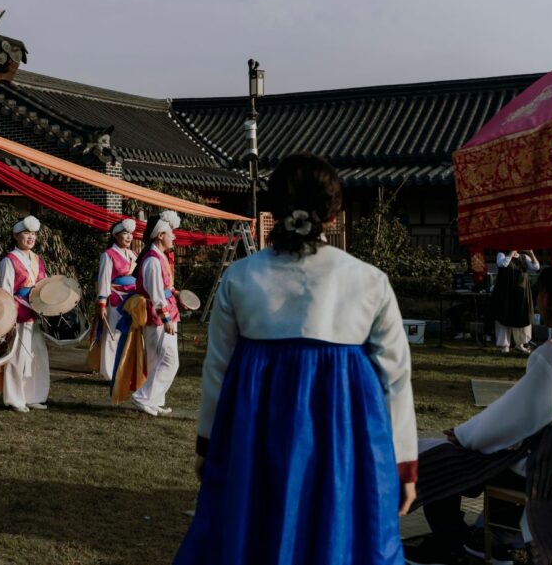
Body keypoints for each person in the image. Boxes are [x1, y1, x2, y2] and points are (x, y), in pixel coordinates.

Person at [174, 153, 417, 565]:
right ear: (333, 213)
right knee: (340, 532)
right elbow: (395, 378)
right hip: (344, 431)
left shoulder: (241, 276)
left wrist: (208, 445)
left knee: (255, 532)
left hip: (255, 431)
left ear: (274, 207)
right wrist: (403, 462)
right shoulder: (369, 280)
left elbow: (218, 368)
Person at [405, 266, 552, 565]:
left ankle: (456, 543)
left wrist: (463, 434)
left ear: (545, 298)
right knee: (486, 454)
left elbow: (519, 415)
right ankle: (488, 537)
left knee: (442, 459)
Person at [129, 210, 182, 417]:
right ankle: (143, 397)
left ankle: (154, 401)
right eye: (171, 233)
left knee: (157, 359)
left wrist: (176, 294)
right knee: (170, 361)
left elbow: (164, 287)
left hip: (163, 312)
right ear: (160, 235)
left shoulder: (159, 256)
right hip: (158, 315)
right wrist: (166, 317)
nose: (174, 237)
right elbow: (156, 292)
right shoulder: (152, 259)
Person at [0, 215, 50, 413]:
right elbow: (5, 291)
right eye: (26, 233)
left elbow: (43, 285)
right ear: (16, 236)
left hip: (35, 312)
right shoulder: (9, 260)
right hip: (18, 312)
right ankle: (15, 398)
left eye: (34, 234)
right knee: (18, 357)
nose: (31, 237)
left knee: (37, 356)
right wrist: (7, 318)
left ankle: (34, 395)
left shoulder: (38, 259)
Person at [90, 219, 138, 381]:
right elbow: (104, 279)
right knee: (112, 335)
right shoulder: (108, 255)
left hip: (131, 300)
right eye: (125, 233)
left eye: (130, 234)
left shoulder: (133, 255)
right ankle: (109, 372)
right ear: (116, 235)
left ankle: (124, 369)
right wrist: (102, 302)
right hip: (115, 300)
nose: (129, 237)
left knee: (127, 334)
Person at [489, 249, 539, 353]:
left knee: (521, 316)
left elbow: (536, 267)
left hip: (521, 292)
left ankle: (520, 344)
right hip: (506, 291)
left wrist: (531, 253)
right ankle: (504, 345)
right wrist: (511, 254)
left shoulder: (524, 257)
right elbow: (503, 264)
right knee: (504, 316)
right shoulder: (501, 254)